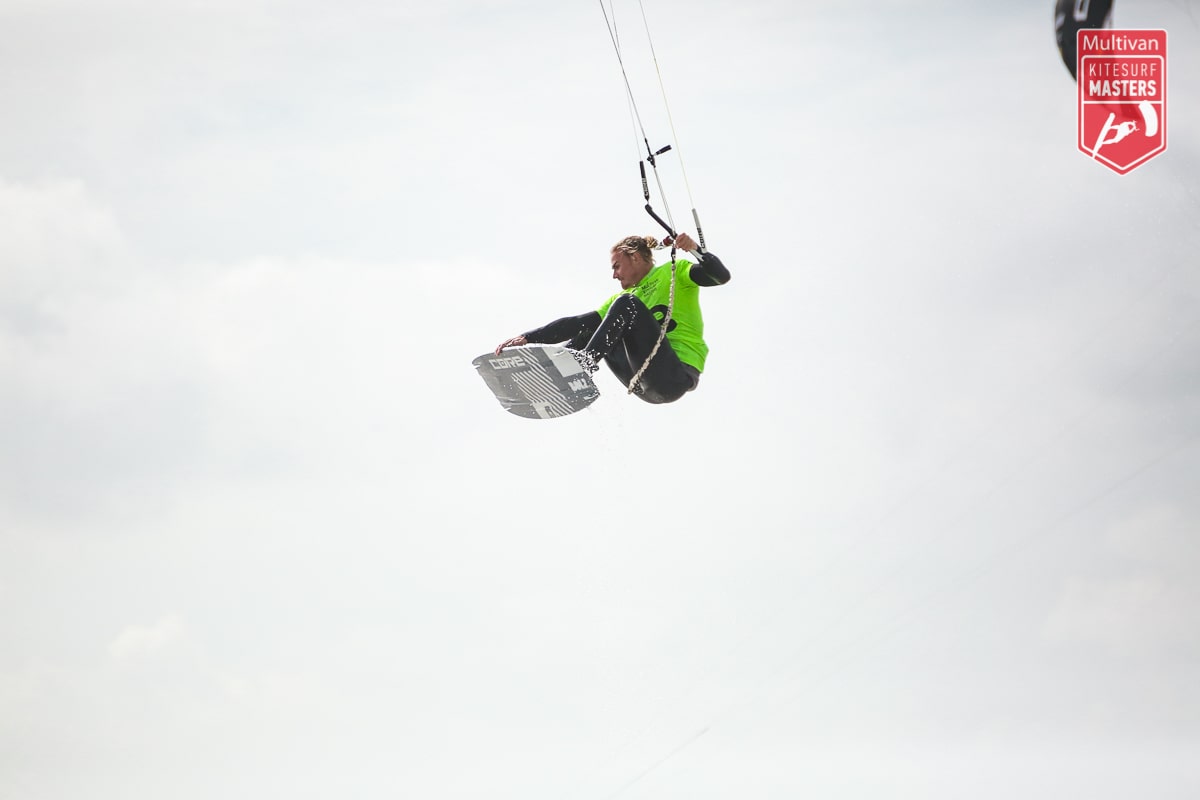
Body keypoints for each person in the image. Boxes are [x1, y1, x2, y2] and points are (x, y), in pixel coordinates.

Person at [494, 232, 730, 404]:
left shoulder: (674, 272)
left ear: (635, 257)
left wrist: (695, 250)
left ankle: (584, 364)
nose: (614, 275)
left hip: (673, 376)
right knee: (594, 325)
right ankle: (556, 371)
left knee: (624, 306)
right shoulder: (625, 298)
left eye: (617, 266)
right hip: (641, 385)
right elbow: (576, 323)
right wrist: (527, 337)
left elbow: (721, 277)